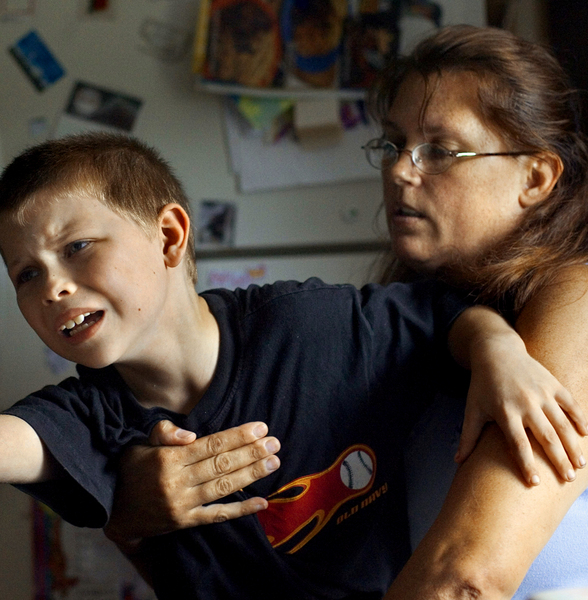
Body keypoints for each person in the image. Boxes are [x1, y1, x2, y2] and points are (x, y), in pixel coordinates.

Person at [0, 133, 584, 599]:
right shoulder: (90, 422)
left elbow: (443, 320)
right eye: (27, 274)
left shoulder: (308, 322)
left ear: (168, 236)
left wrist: (500, 349)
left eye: (78, 248)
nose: (53, 287)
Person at [106, 25, 588, 599]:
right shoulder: (400, 322)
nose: (400, 171)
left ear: (536, 177)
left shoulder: (577, 297)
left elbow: (466, 578)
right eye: (392, 143)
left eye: (439, 150)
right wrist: (132, 507)